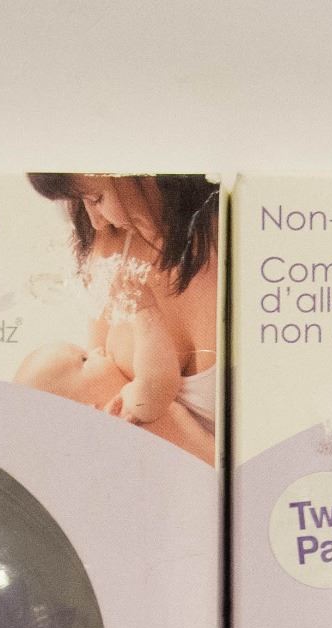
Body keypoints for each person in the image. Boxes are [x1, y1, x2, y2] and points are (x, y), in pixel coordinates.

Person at [22, 174, 219, 461]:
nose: (95, 221)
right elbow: (157, 381)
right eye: (84, 359)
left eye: (96, 198)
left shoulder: (236, 237)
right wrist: (145, 314)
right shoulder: (122, 409)